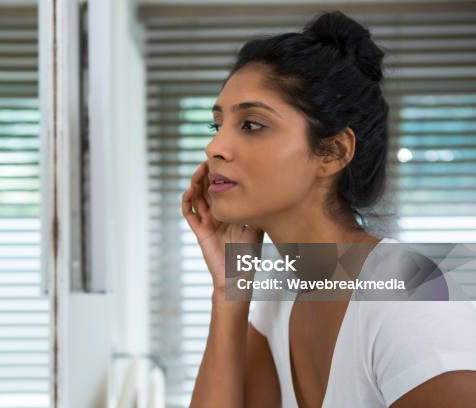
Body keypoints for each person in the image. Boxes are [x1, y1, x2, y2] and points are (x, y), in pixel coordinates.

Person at [181, 10, 476, 408]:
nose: (214, 148)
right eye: (217, 126)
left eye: (251, 124)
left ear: (333, 151)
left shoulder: (416, 290)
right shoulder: (280, 296)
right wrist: (229, 289)